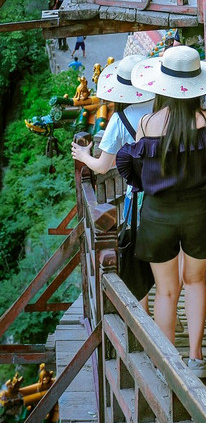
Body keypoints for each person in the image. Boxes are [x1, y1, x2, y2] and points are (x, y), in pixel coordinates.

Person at [115, 46, 206, 381]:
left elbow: (133, 172)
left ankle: (168, 364)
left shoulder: (147, 123)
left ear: (162, 86)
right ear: (198, 86)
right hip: (199, 215)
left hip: (157, 216)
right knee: (195, 281)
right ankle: (196, 358)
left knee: (165, 291)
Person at [71, 57, 153, 311]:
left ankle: (145, 311)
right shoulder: (158, 107)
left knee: (139, 254)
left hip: (139, 196)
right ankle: (167, 308)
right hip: (168, 188)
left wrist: (84, 156)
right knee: (166, 255)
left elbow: (103, 167)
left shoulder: (121, 120)